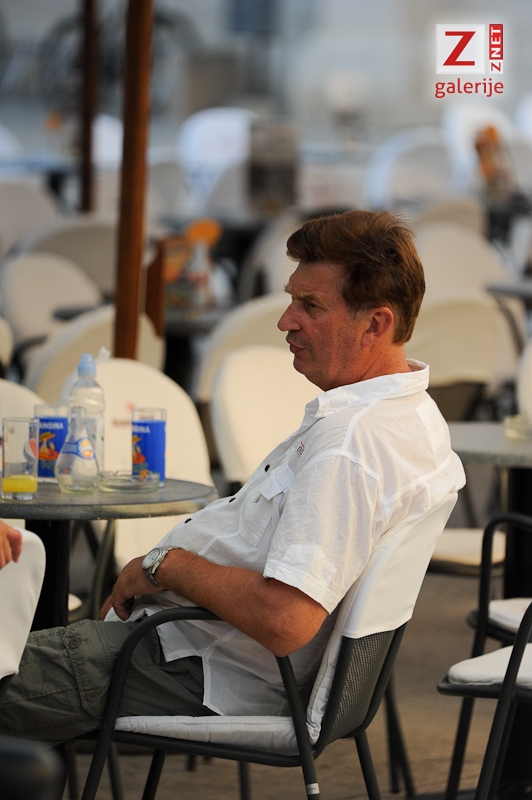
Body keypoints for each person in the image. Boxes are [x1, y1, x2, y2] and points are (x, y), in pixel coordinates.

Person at [0, 209, 465, 743]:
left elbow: (285, 621)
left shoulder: (352, 443)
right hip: (195, 653)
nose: (286, 320)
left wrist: (164, 565)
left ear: (376, 324)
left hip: (189, 662)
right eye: (292, 299)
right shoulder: (413, 416)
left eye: (310, 305)